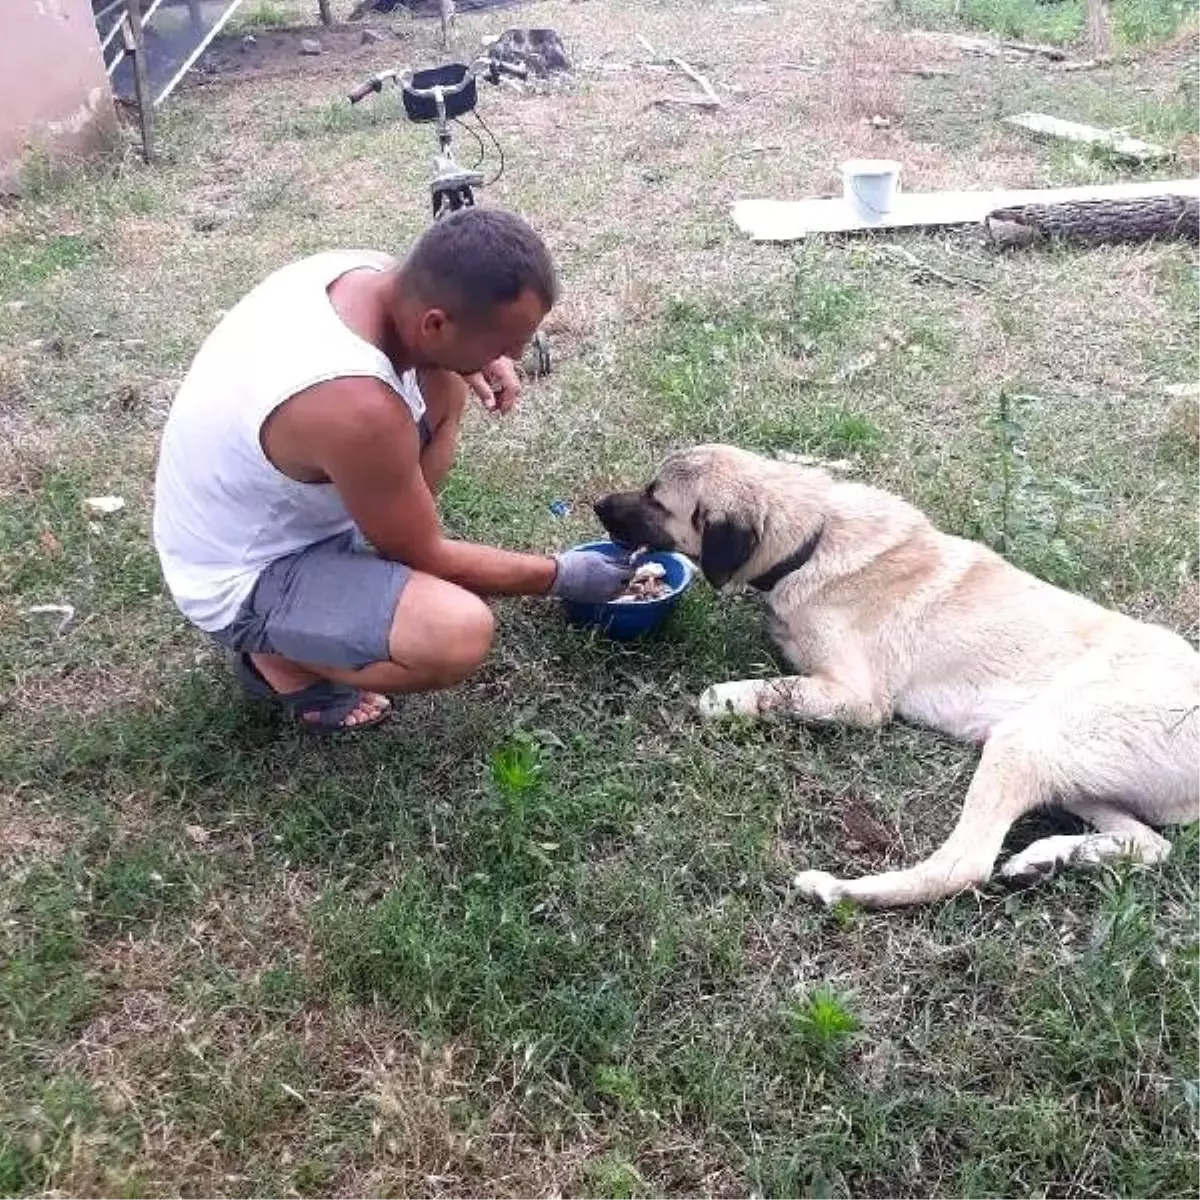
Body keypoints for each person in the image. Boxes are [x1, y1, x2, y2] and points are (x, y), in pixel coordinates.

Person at [152, 208, 632, 732]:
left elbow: (436, 353)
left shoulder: (366, 273)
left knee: (446, 378)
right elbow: (423, 553)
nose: (514, 357)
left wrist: (476, 355)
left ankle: (369, 570)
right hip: (245, 573)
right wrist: (562, 575)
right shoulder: (357, 407)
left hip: (283, 506)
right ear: (435, 323)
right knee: (457, 632)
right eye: (502, 344)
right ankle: (277, 657)